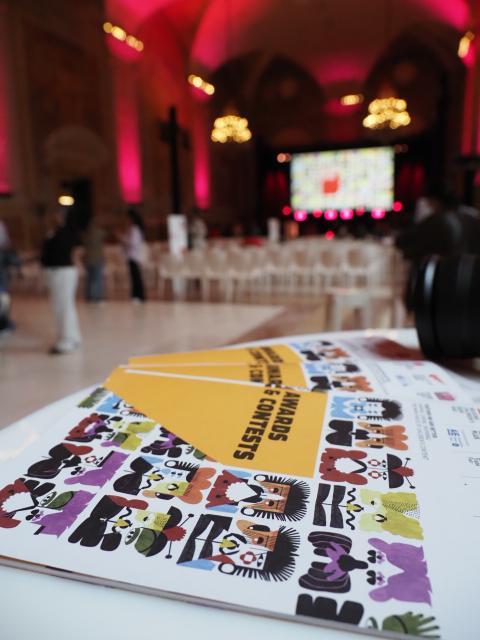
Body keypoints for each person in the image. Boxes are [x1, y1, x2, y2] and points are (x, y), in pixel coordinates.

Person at [41, 207, 82, 354]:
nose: (54, 216)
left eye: (58, 214)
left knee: (63, 305)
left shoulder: (66, 232)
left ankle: (67, 339)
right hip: (57, 272)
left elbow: (70, 252)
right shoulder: (56, 232)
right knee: (63, 305)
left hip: (63, 272)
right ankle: (72, 336)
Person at [121, 208, 147, 302]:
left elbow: (133, 243)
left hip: (134, 256)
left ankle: (139, 296)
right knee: (134, 276)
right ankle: (136, 295)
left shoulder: (135, 229)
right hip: (131, 256)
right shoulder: (132, 229)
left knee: (136, 277)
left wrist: (123, 240)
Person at [83, 216, 105, 302]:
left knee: (89, 279)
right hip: (96, 259)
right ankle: (98, 297)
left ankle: (89, 296)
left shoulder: (87, 234)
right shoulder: (99, 233)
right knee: (97, 279)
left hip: (89, 259)